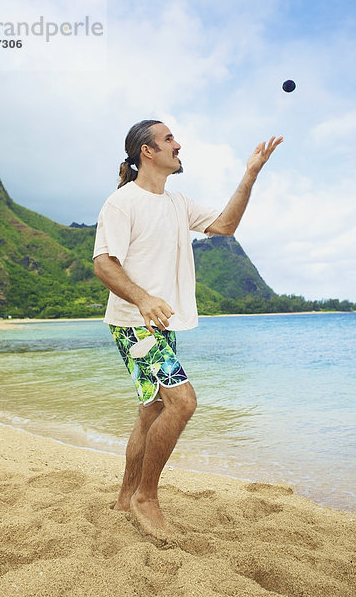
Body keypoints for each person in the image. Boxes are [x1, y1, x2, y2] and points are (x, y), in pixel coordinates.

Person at [93, 119, 283, 540]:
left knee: (152, 410)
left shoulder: (177, 203)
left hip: (162, 324)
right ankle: (146, 496)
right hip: (134, 323)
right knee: (182, 402)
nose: (177, 145)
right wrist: (142, 299)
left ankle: (126, 497)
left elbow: (226, 226)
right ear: (147, 151)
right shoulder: (122, 203)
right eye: (168, 139)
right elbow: (104, 262)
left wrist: (250, 174)